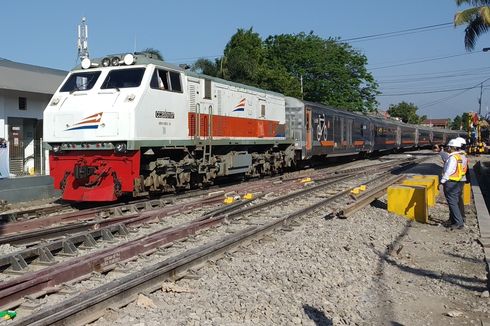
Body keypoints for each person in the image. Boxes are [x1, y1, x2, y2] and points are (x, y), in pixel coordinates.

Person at [434, 138, 468, 229]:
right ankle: (456, 220)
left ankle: (458, 223)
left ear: (452, 147)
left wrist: (442, 181)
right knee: (455, 201)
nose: (448, 148)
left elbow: (449, 170)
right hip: (459, 181)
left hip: (451, 182)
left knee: (452, 202)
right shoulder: (463, 156)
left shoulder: (453, 157)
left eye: (449, 146)